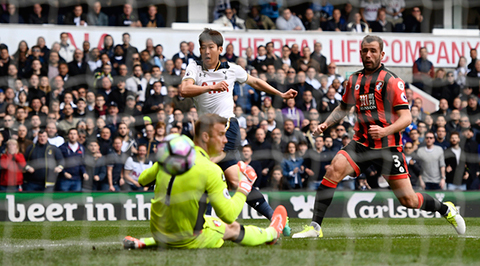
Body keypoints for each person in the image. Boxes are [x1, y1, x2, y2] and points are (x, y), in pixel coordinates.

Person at [292, 35, 465, 238]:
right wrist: (326, 123)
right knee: (334, 169)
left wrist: (385, 131)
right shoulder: (353, 80)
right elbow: (343, 107)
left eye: (373, 51)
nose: (368, 54)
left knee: (409, 201)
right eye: (365, 51)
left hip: (388, 147)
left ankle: (446, 210)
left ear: (382, 54)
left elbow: (407, 117)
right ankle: (315, 227)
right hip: (361, 143)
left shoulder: (392, 81)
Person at [180, 28, 296, 234]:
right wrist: (211, 87)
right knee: (233, 180)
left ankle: (201, 226)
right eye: (203, 48)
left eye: (211, 48)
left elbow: (256, 82)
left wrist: (281, 94)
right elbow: (184, 90)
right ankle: (275, 217)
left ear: (220, 49)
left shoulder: (231, 69)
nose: (206, 52)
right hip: (204, 134)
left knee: (206, 174)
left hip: (226, 127)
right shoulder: (194, 68)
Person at [123, 114, 287, 249]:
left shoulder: (172, 154)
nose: (225, 141)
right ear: (206, 137)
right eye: (221, 135)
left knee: (207, 220)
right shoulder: (211, 170)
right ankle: (272, 233)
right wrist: (245, 185)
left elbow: (143, 180)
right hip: (189, 239)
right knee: (232, 227)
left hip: (158, 231)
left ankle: (144, 242)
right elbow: (229, 215)